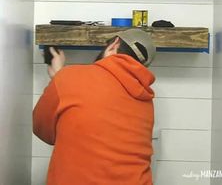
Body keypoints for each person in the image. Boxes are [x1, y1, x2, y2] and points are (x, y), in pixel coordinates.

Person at [33, 28, 156, 185]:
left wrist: (58, 78)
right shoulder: (146, 101)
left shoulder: (69, 77)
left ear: (114, 45)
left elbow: (42, 131)